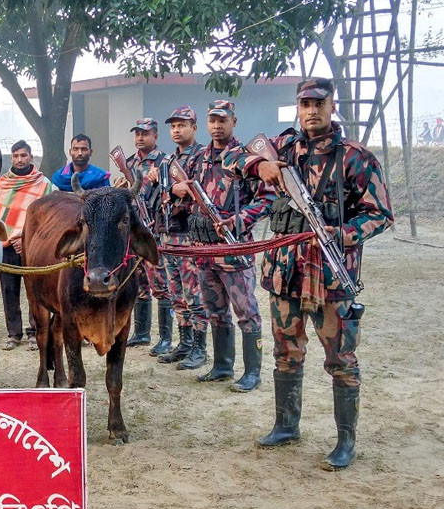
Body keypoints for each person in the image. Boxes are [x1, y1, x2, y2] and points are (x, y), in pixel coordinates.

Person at [224, 77, 393, 470]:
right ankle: (286, 426)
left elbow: (380, 215)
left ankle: (345, 443)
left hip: (332, 275)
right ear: (298, 108)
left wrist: (342, 233)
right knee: (286, 352)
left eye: (319, 103)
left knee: (342, 360)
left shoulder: (355, 158)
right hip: (284, 272)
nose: (311, 111)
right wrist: (260, 164)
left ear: (332, 106)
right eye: (305, 104)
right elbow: (230, 161)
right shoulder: (284, 146)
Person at [185, 100, 268, 392]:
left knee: (245, 310)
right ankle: (222, 365)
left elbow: (266, 197)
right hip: (204, 249)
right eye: (212, 120)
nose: (217, 126)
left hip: (233, 249)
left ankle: (252, 373)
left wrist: (239, 220)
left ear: (234, 121)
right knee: (214, 309)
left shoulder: (245, 157)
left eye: (223, 120)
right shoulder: (199, 159)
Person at [157, 105, 209, 370]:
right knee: (176, 293)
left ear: (194, 128)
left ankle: (200, 348)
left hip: (190, 235)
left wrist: (179, 190)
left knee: (194, 294)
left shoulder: (202, 156)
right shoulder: (166, 160)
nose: (177, 130)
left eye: (182, 125)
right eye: (173, 126)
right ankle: (185, 343)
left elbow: (202, 191)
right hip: (169, 235)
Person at [0, 140, 53, 351]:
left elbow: (47, 218)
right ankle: (13, 334)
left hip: (33, 246)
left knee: (34, 291)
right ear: (12, 158)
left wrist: (25, 237)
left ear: (31, 157)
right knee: (8, 290)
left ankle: (34, 333)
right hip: (6, 245)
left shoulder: (43, 184)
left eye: (24, 155)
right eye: (16, 156)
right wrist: (11, 237)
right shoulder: (1, 184)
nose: (20, 160)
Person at [123, 118, 170, 352]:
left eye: (146, 133)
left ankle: (165, 338)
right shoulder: (129, 163)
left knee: (161, 283)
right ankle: (141, 332)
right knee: (139, 281)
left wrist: (158, 180)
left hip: (156, 229)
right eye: (137, 133)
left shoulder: (165, 162)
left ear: (156, 136)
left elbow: (170, 191)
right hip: (135, 231)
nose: (140, 137)